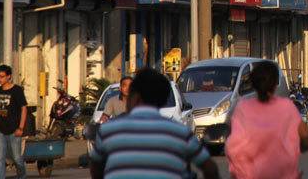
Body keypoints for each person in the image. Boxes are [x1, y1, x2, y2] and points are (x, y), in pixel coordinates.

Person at [90, 67, 218, 179]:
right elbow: (210, 168)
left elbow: (96, 168)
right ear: (162, 100)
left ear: (135, 97)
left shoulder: (108, 131)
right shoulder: (180, 132)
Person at [227, 60, 308, 179]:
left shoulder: (242, 108)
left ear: (253, 83)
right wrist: (302, 146)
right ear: (274, 84)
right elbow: (305, 137)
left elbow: (234, 144)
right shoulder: (286, 107)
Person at [0, 64, 26, 179]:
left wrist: (21, 128)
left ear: (9, 76)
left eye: (2, 76)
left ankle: (22, 176)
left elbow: (24, 109)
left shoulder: (17, 90)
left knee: (17, 158)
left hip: (14, 130)